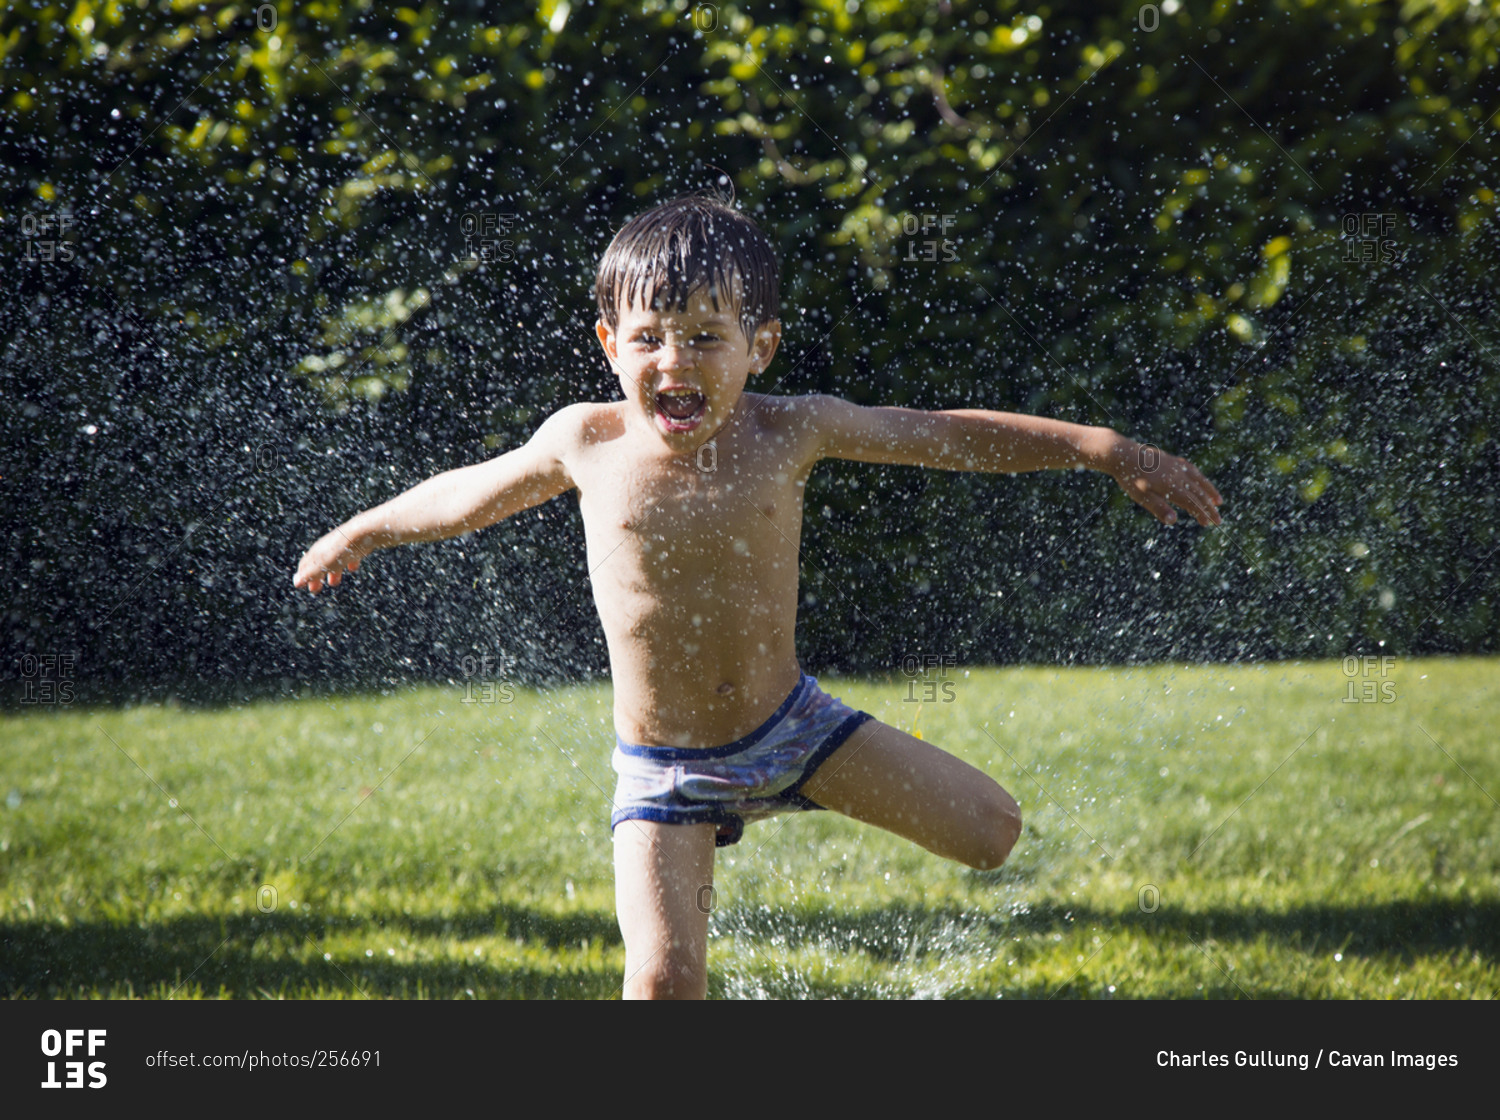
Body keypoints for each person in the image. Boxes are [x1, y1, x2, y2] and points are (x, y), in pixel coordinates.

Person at [293, 193, 1223, 999]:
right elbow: (468, 492)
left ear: (760, 347)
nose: (675, 362)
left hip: (793, 729)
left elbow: (936, 434)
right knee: (662, 981)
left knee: (993, 832)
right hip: (667, 772)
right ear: (611, 343)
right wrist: (364, 527)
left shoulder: (792, 431)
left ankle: (785, 793)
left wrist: (1097, 446)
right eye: (650, 338)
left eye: (706, 337)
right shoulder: (585, 441)